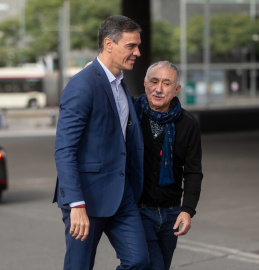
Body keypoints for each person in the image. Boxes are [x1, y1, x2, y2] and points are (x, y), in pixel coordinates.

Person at [53, 15, 150, 270]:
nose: (137, 52)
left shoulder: (120, 84)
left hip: (122, 194)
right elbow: (65, 150)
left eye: (138, 46)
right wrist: (76, 203)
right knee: (79, 266)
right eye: (131, 46)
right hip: (87, 197)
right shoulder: (82, 85)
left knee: (138, 261)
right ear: (109, 44)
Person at [134, 61, 203, 270]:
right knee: (147, 264)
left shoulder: (188, 123)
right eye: (154, 81)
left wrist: (187, 210)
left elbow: (193, 172)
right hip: (139, 209)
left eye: (166, 83)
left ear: (177, 89)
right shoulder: (131, 115)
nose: (158, 89)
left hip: (171, 213)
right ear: (145, 83)